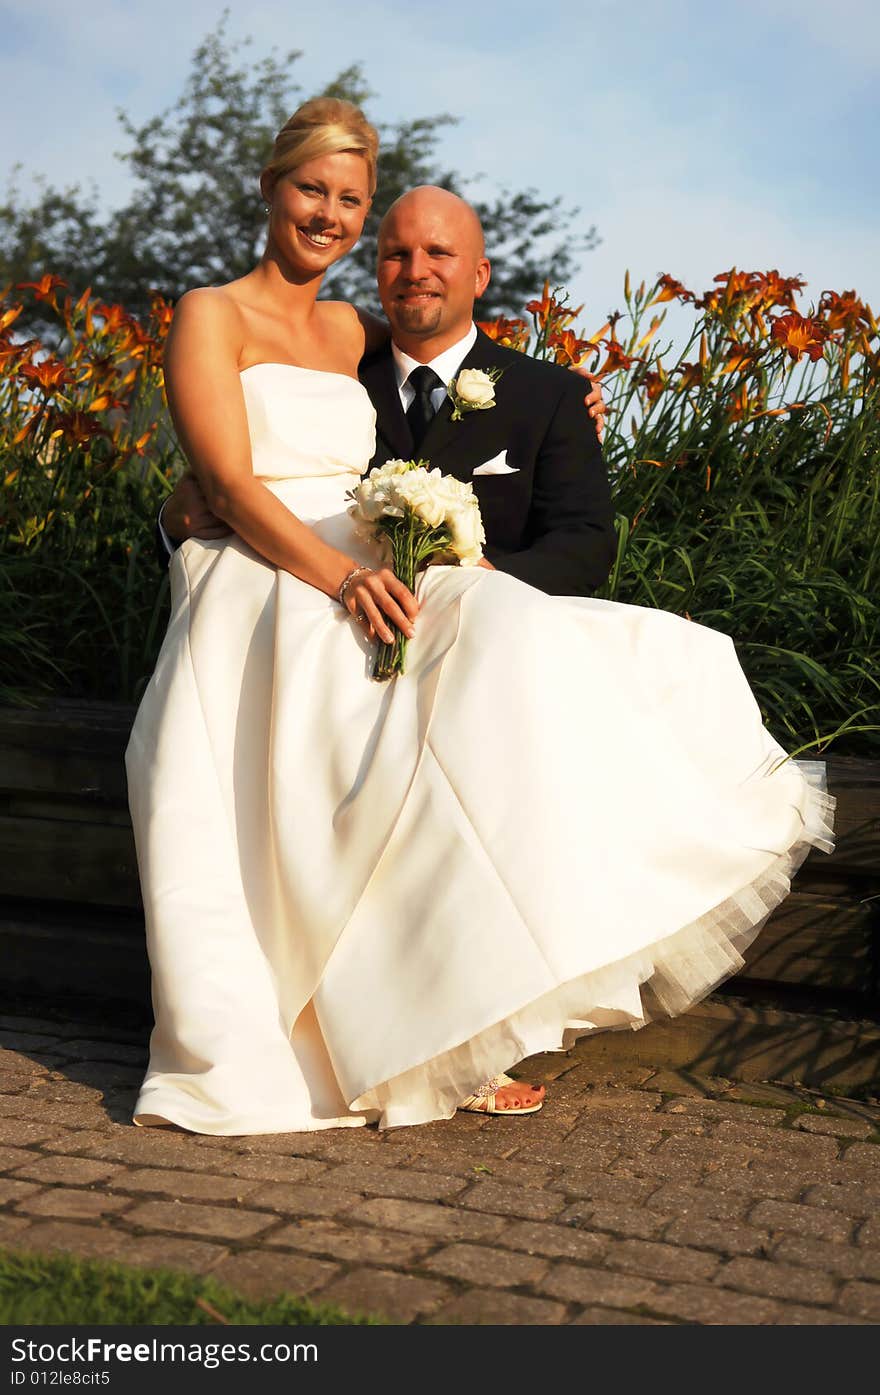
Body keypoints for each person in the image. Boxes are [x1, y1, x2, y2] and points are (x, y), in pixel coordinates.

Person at [127, 97, 833, 1136]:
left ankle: (485, 1006)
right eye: (312, 190)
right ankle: (393, 1030)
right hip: (277, 575)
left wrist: (552, 404)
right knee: (402, 718)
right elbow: (225, 486)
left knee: (546, 653)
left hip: (370, 566)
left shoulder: (354, 334)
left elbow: (458, 369)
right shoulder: (211, 312)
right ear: (272, 189)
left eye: (348, 200)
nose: (329, 214)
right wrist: (265, 545)